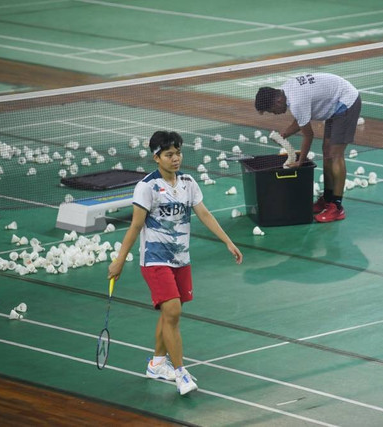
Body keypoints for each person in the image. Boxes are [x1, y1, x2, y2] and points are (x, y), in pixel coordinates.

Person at [108, 130, 243, 396]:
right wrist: (119, 261)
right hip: (155, 259)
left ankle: (157, 364)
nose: (176, 158)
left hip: (181, 258)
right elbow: (135, 227)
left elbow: (203, 213)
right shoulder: (146, 187)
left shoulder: (189, 182)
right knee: (173, 311)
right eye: (169, 154)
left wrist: (228, 241)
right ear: (156, 157)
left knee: (169, 314)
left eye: (178, 153)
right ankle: (180, 372)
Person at [254, 72, 361, 223]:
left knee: (335, 154)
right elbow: (300, 119)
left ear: (277, 101)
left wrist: (300, 162)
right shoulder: (286, 91)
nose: (275, 114)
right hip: (334, 104)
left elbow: (308, 135)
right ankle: (328, 198)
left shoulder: (296, 100)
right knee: (327, 153)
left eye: (272, 111)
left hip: (346, 102)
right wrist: (284, 134)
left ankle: (336, 207)